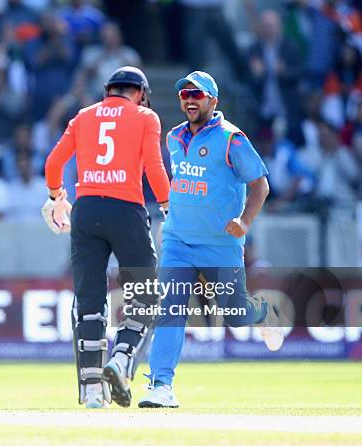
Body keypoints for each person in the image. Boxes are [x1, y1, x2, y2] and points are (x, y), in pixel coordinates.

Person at [139, 71, 284, 409]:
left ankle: (262, 314)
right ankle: (161, 385)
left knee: (235, 313)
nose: (190, 99)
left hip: (219, 245)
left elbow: (260, 185)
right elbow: (182, 186)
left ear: (213, 101)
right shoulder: (174, 137)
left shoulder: (232, 139)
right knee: (171, 309)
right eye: (185, 94)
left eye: (197, 95)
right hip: (178, 242)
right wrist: (170, 220)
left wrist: (245, 221)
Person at [43, 66, 170, 409]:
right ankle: (122, 359)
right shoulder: (146, 116)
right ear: (140, 92)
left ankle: (93, 391)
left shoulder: (84, 116)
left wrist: (58, 197)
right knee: (145, 294)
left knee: (88, 303)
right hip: (126, 211)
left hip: (85, 211)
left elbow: (54, 163)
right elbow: (154, 168)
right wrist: (168, 206)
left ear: (108, 91)